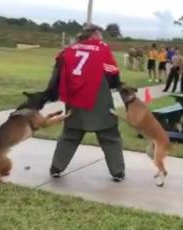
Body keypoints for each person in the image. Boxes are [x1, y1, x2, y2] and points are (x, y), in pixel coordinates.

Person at [45, 24, 125, 182]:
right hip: (98, 97)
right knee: (109, 135)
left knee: (70, 134)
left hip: (75, 98)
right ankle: (117, 171)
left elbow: (57, 73)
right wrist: (115, 85)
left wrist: (52, 94)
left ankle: (56, 167)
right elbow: (112, 73)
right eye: (100, 34)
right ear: (95, 34)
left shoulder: (68, 50)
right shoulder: (101, 47)